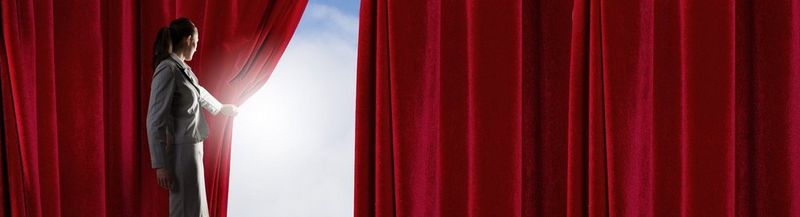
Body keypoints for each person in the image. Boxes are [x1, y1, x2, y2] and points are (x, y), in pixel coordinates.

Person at [146, 17, 238, 217]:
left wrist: (221, 108)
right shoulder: (168, 69)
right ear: (188, 39)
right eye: (196, 42)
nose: (196, 48)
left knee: (196, 209)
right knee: (186, 210)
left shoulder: (182, 69)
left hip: (192, 149)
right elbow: (155, 120)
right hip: (181, 151)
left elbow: (198, 92)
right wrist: (160, 164)